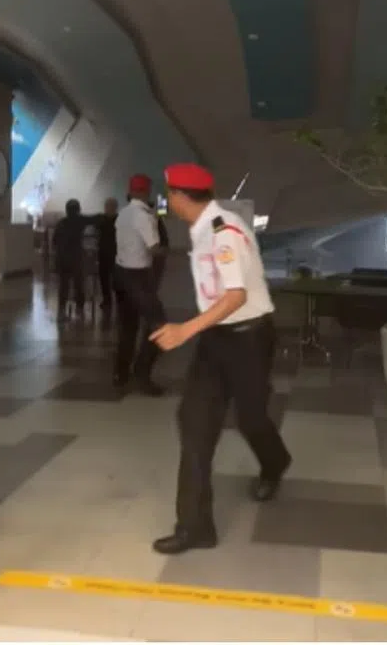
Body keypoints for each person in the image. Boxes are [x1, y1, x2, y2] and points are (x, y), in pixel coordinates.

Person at [148, 162, 292, 555]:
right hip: (216, 339)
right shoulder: (203, 228)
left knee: (251, 418)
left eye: (169, 193)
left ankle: (275, 462)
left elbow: (236, 296)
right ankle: (195, 527)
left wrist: (185, 330)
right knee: (194, 423)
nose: (168, 199)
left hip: (249, 340)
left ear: (181, 197)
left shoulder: (223, 232)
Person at [113, 174, 166, 395]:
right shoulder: (144, 216)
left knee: (128, 326)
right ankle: (142, 373)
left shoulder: (122, 214)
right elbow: (154, 248)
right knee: (159, 325)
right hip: (138, 276)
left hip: (120, 273)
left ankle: (120, 373)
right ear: (146, 192)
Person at [52, 199, 88, 321]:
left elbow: (54, 241)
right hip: (76, 258)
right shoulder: (80, 223)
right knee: (78, 285)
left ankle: (62, 311)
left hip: (62, 259)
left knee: (64, 286)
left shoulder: (61, 223)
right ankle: (80, 310)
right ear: (78, 210)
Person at [95, 198, 119, 312]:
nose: (108, 208)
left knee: (116, 280)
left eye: (110, 206)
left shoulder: (118, 220)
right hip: (104, 253)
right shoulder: (101, 219)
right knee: (104, 278)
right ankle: (107, 300)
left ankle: (117, 300)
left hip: (115, 253)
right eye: (107, 205)